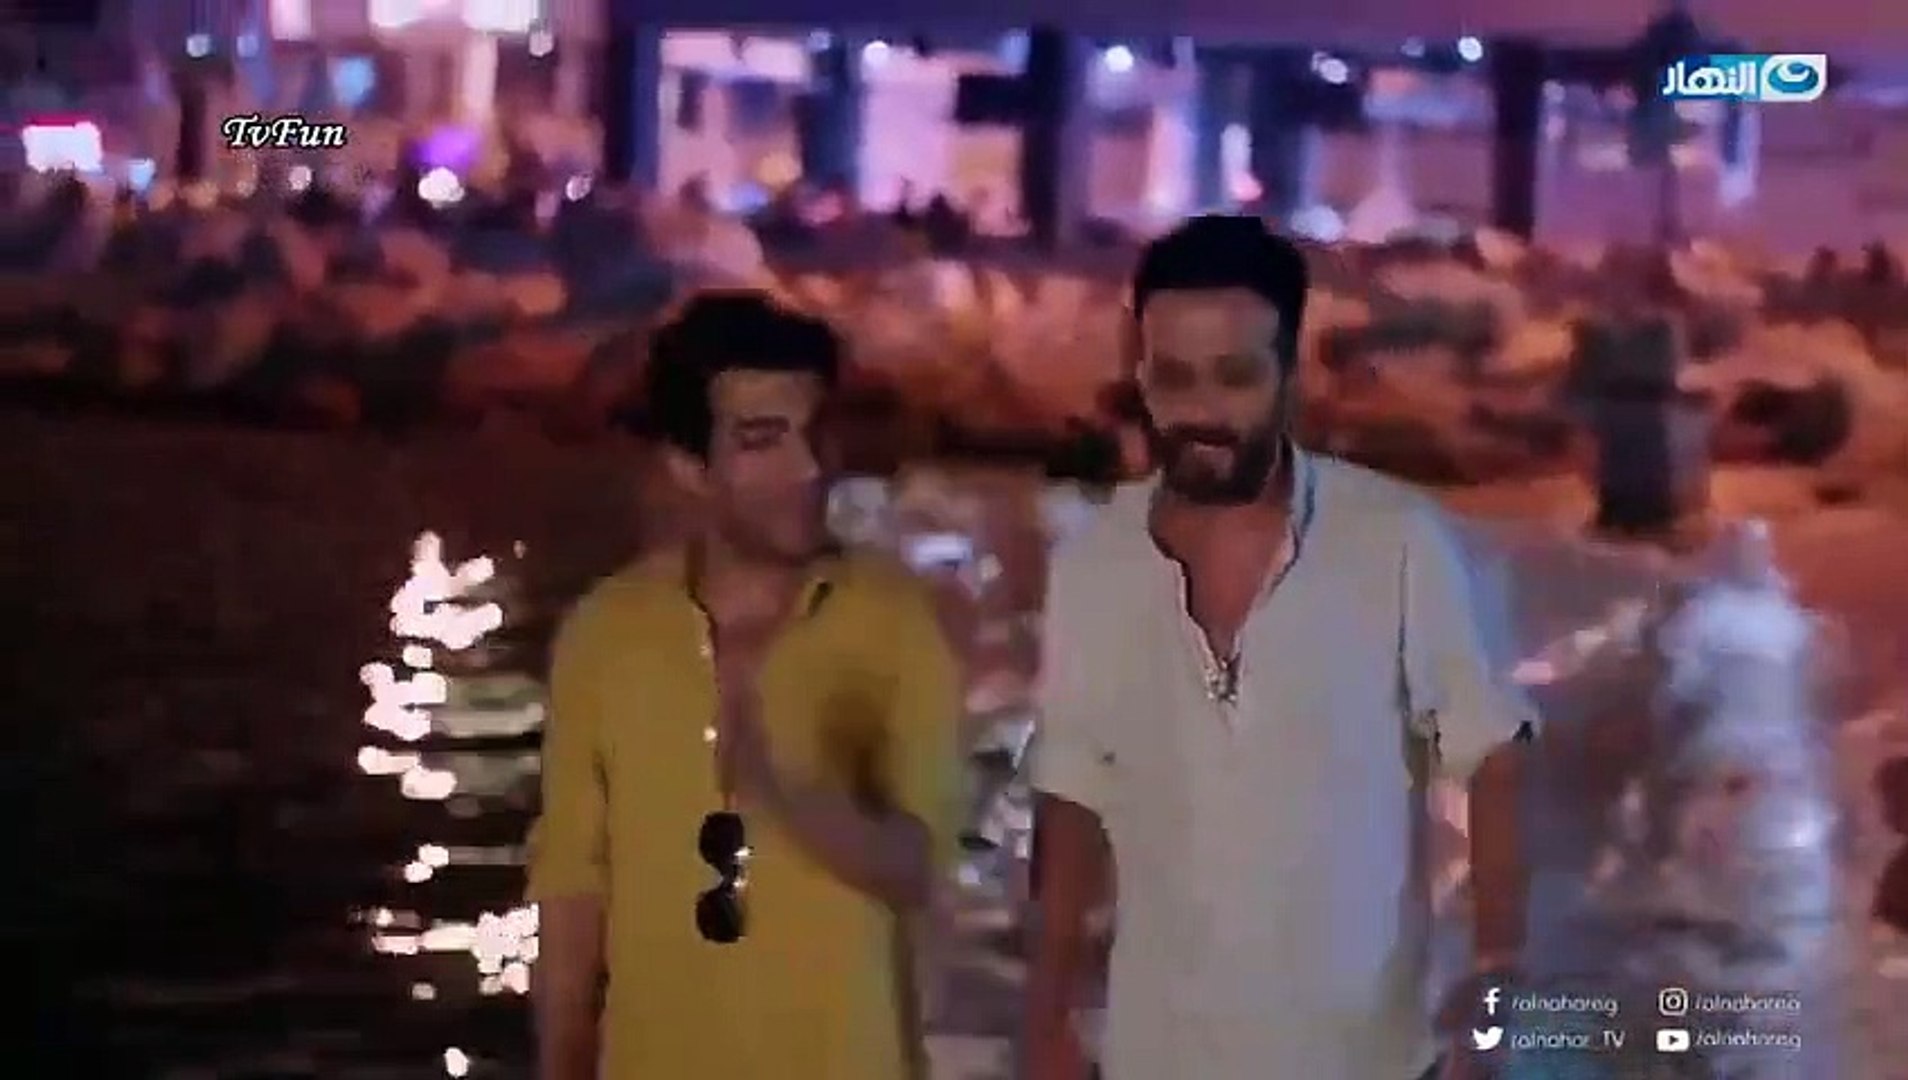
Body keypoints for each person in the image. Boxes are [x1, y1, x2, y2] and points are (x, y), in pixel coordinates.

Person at [1022, 215, 1535, 1080]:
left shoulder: (1396, 541)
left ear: (1291, 376)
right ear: (1140, 375)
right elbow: (1070, 796)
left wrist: (1494, 994)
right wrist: (1047, 1019)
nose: (1202, 413)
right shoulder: (1094, 564)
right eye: (1174, 379)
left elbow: (1490, 761)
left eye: (1235, 378)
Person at [528, 291, 962, 1080]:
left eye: (814, 432)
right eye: (763, 440)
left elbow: (920, 867)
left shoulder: (895, 619)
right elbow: (571, 893)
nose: (808, 468)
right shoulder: (606, 633)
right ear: (689, 467)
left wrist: (783, 791)